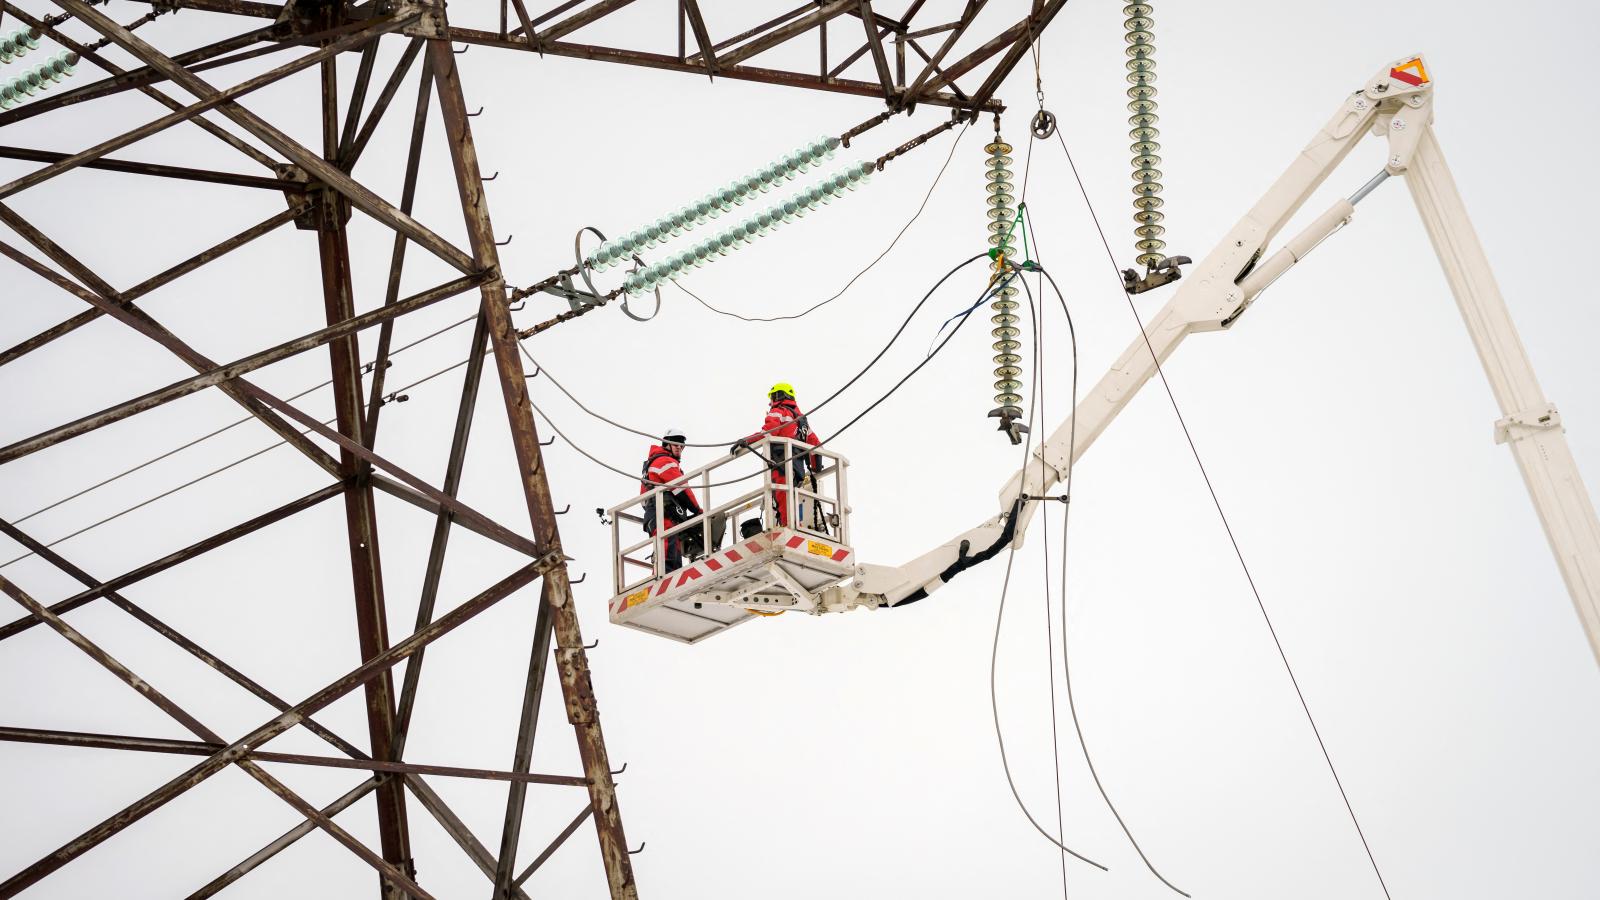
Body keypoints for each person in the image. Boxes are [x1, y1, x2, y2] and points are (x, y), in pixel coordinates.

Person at [732, 383, 822, 528]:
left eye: (771, 398)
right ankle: (792, 524)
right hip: (797, 468)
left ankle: (789, 526)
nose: (770, 403)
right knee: (789, 497)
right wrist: (816, 466)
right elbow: (816, 445)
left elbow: (768, 432)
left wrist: (746, 441)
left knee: (782, 496)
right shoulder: (802, 421)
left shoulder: (778, 411)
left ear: (778, 395)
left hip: (781, 463)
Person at [640, 428, 702, 573]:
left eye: (682, 446)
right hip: (663, 515)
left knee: (673, 555)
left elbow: (644, 499)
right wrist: (697, 510)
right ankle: (663, 580)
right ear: (666, 445)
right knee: (667, 556)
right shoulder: (664, 461)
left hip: (660, 515)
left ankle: (667, 577)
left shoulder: (654, 463)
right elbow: (682, 489)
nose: (680, 448)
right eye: (676, 445)